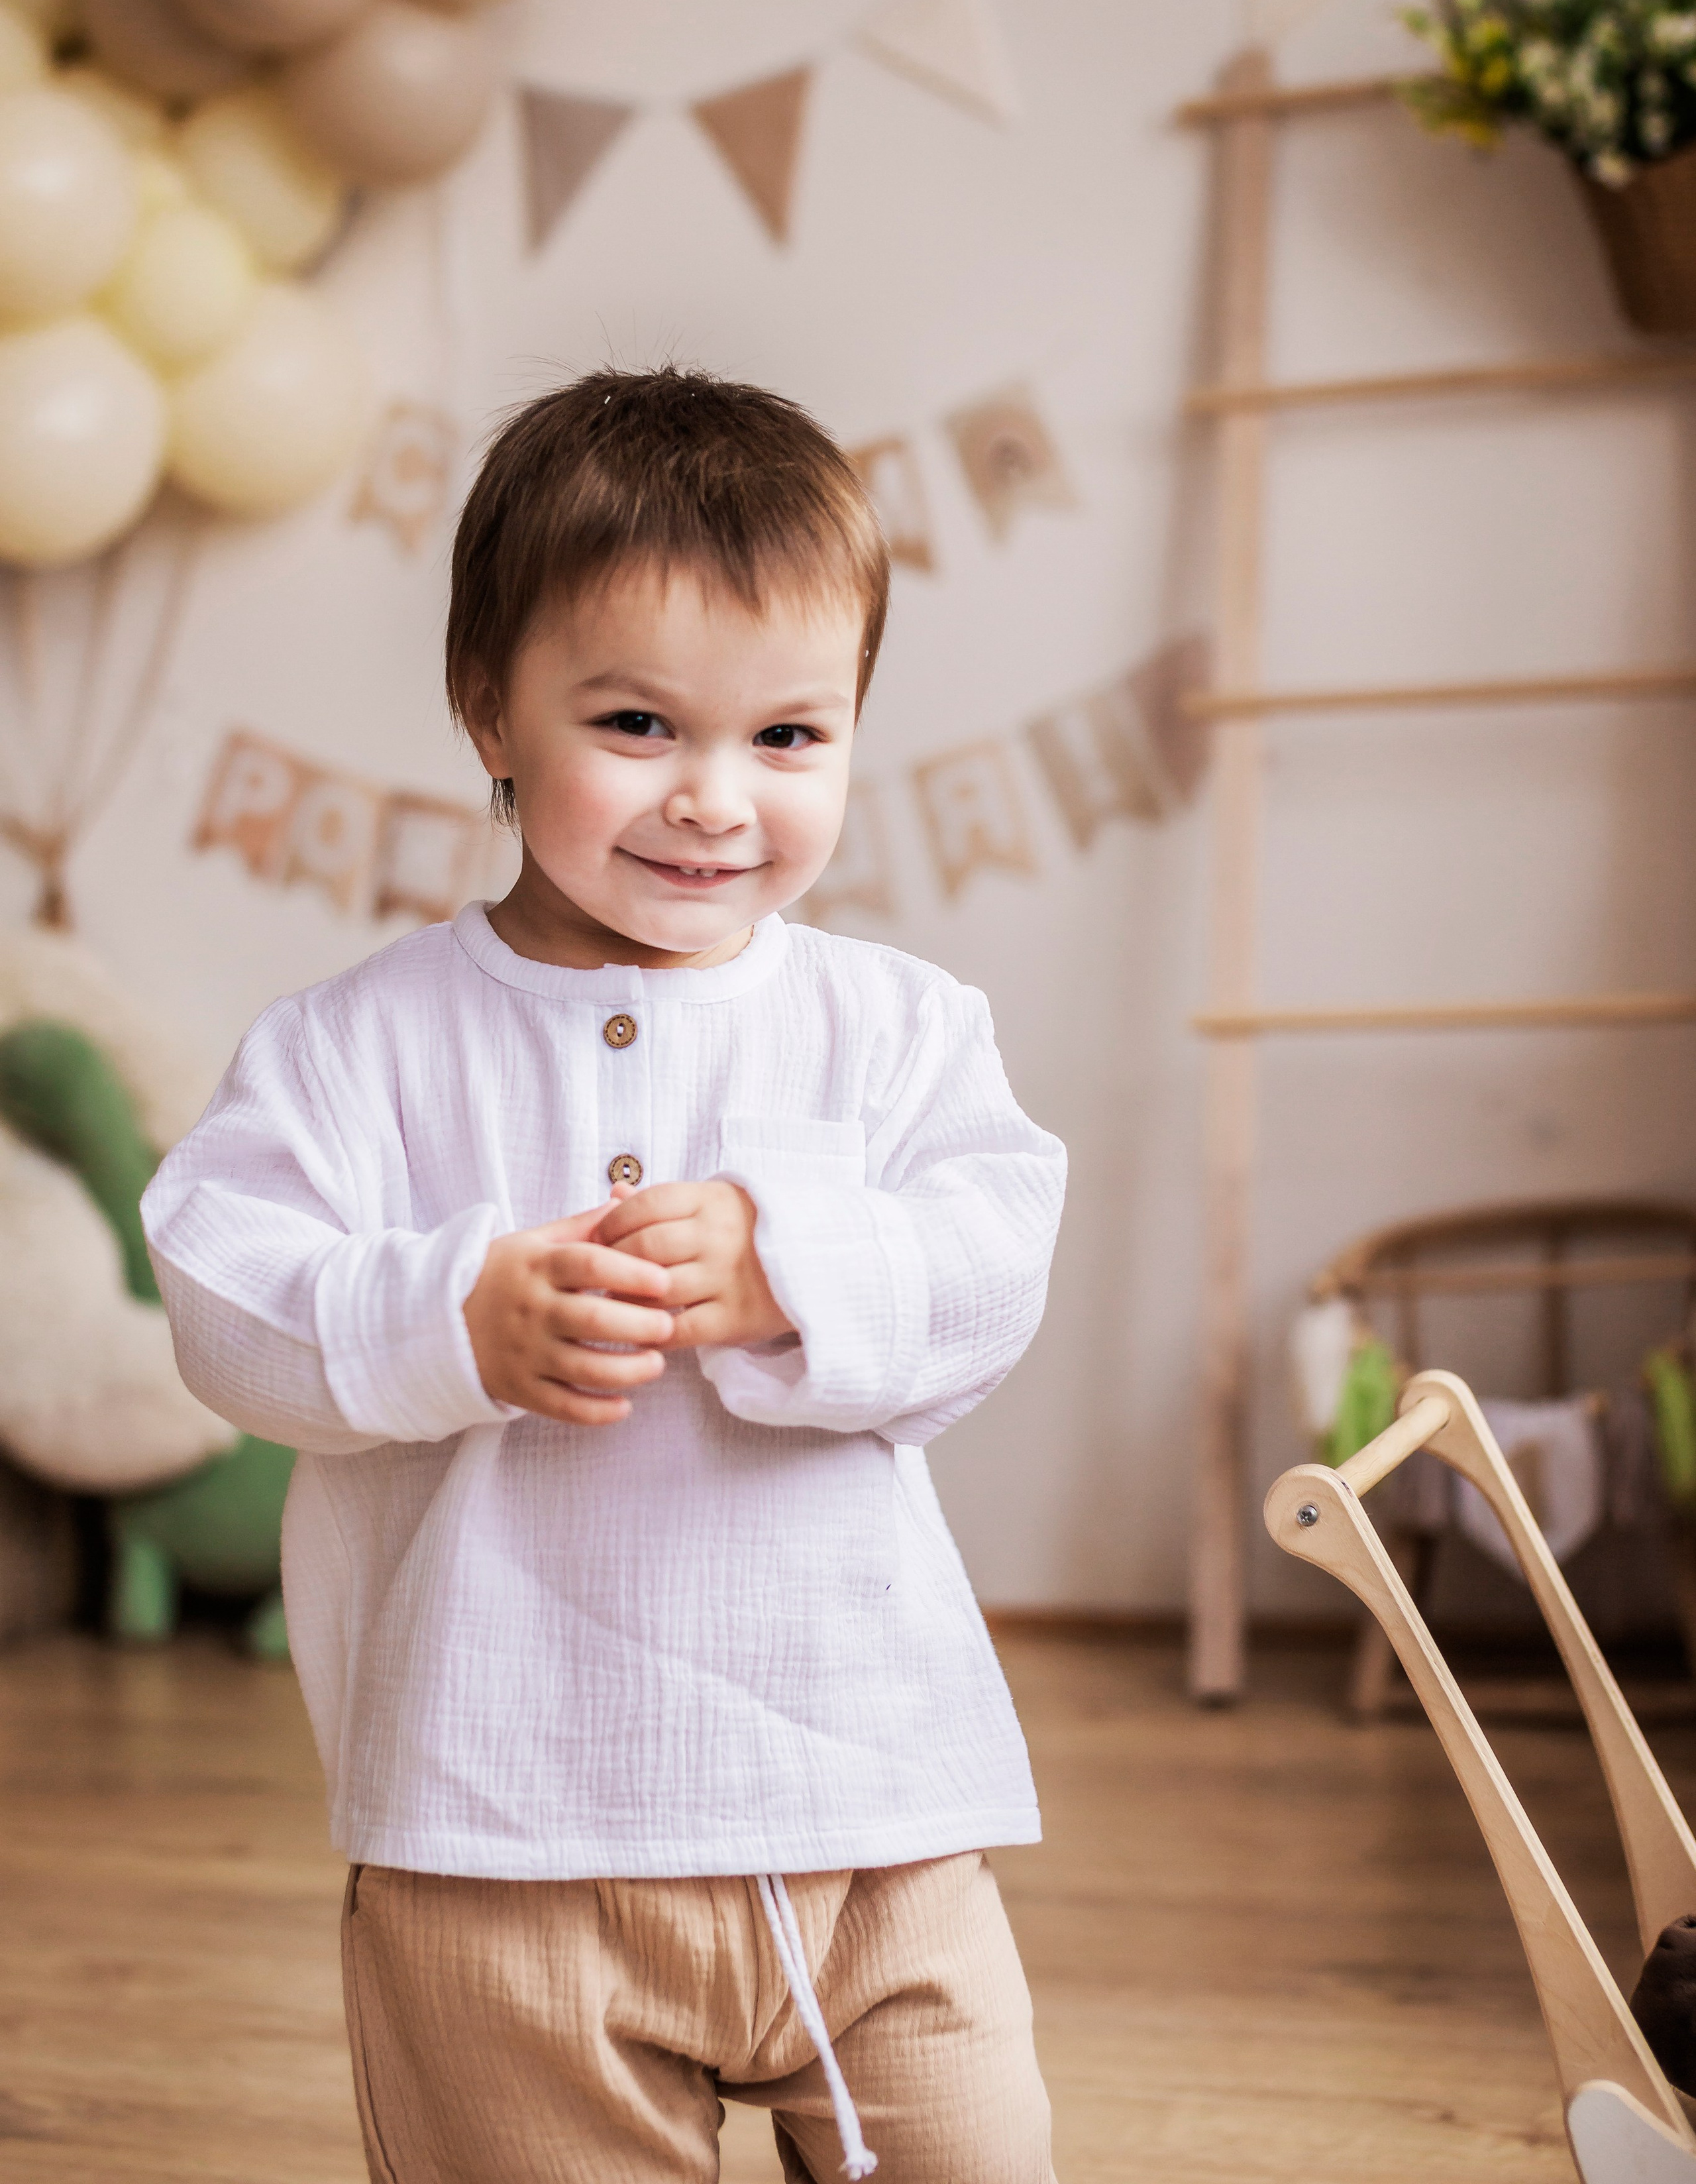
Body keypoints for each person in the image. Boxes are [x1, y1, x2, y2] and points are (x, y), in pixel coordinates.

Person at [142, 366, 1067, 2184]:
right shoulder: (363, 1045)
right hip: (497, 1839)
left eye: (791, 738)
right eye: (639, 723)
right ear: (489, 706)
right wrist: (452, 1319)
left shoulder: (891, 1029)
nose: (717, 802)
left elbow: (991, 1267)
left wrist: (802, 1270)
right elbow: (224, 1302)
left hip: (877, 1822)